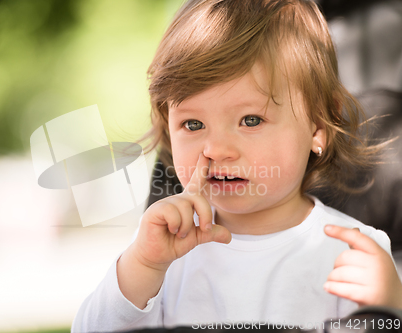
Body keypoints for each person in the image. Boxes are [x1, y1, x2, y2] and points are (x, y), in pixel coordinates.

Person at [71, 0, 402, 331]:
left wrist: (389, 308)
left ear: (318, 127)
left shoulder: (353, 252)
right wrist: (142, 265)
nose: (215, 149)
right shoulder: (166, 251)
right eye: (193, 125)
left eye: (251, 119)